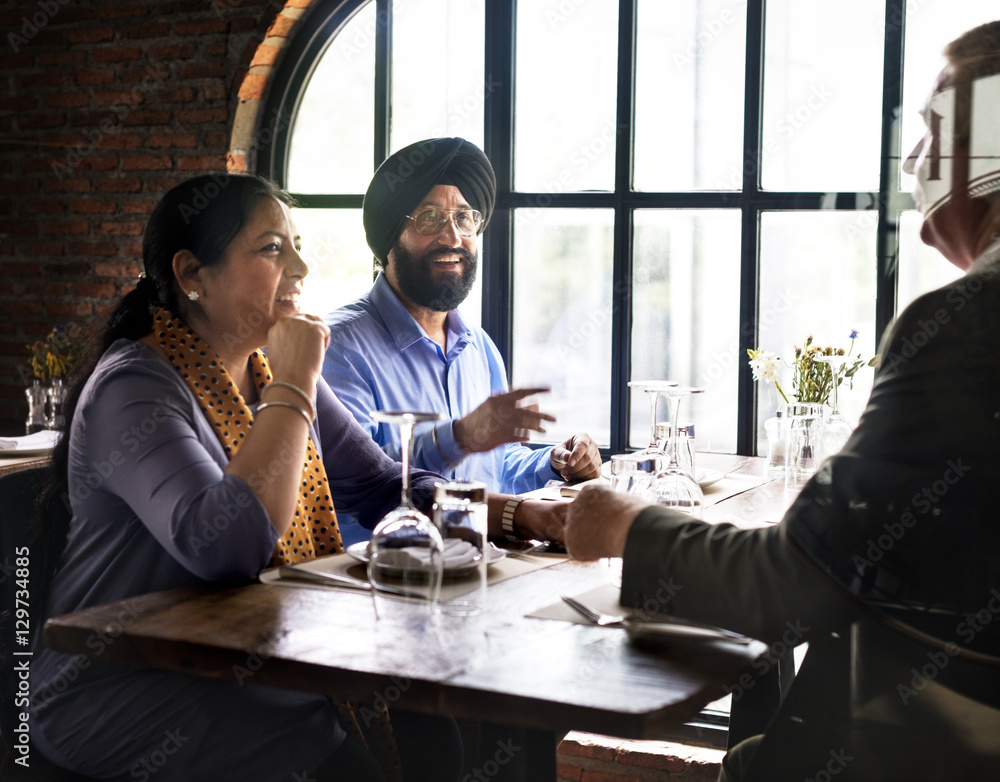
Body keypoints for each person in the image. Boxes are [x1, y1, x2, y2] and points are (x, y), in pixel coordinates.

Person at [564, 21, 1000, 781]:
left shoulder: (964, 323)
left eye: (935, 132)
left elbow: (790, 587)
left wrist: (625, 525)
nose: (914, 162)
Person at [25, 174, 566, 782]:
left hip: (253, 654)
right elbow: (228, 547)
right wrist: (293, 384)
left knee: (430, 730)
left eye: (298, 243)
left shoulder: (265, 367)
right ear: (191, 275)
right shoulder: (136, 387)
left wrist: (523, 516)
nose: (302, 266)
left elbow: (379, 482)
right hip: (129, 684)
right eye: (272, 248)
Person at [323, 137, 602, 543]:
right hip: (380, 580)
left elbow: (495, 467)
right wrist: (458, 436)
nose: (453, 237)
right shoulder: (339, 347)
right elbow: (365, 480)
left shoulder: (479, 347)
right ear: (389, 240)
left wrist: (555, 463)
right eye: (429, 217)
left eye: (465, 218)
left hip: (480, 568)